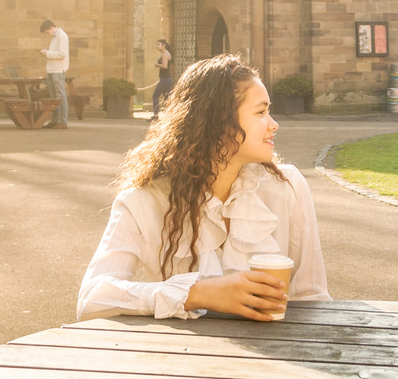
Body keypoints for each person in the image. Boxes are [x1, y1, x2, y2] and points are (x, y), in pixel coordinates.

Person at [78, 53, 329, 320]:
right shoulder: (144, 201)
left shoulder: (287, 186)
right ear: (218, 121)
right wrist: (195, 294)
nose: (273, 124)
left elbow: (312, 297)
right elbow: (91, 299)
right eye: (260, 112)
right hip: (184, 347)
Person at [38, 18, 70, 128]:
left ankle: (63, 121)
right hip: (51, 69)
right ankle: (55, 120)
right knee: (53, 97)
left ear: (52, 28)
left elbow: (62, 54)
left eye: (47, 32)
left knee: (60, 96)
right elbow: (55, 53)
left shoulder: (62, 36)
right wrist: (47, 53)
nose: (47, 35)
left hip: (58, 70)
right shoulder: (55, 37)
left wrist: (47, 53)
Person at [152, 38, 175, 115]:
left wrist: (157, 64)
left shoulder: (165, 54)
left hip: (165, 79)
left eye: (158, 44)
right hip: (166, 79)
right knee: (167, 99)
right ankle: (171, 114)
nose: (157, 46)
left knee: (155, 96)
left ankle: (156, 115)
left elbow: (165, 66)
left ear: (163, 45)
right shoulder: (166, 53)